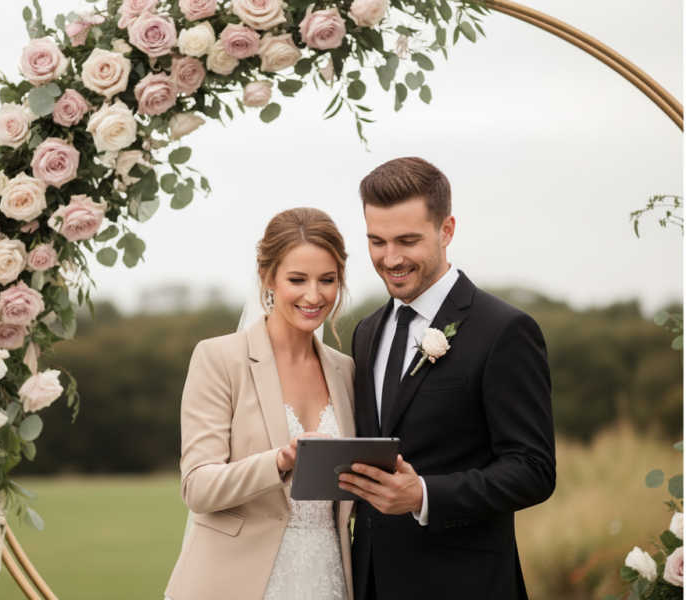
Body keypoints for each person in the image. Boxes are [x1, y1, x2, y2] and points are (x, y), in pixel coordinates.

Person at [338, 157, 557, 600]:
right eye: (376, 241)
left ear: (447, 230)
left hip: (462, 584)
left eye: (407, 240)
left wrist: (423, 495)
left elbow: (533, 469)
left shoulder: (504, 330)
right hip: (370, 582)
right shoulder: (366, 331)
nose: (391, 258)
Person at [165, 207, 356, 600]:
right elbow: (197, 487)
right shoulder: (219, 358)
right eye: (297, 279)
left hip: (328, 577)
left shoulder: (347, 371)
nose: (314, 295)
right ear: (268, 277)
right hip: (234, 583)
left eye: (327, 280)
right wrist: (280, 462)